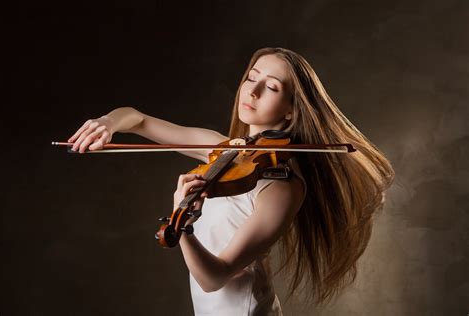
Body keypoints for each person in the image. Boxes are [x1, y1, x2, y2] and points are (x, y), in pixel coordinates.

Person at [67, 47, 395, 315]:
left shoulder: (281, 187)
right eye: (251, 78)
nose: (251, 91)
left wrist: (181, 226)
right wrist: (107, 123)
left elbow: (215, 277)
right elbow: (138, 120)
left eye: (272, 87)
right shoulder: (222, 152)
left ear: (291, 111)